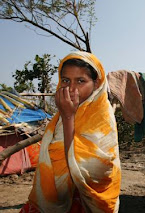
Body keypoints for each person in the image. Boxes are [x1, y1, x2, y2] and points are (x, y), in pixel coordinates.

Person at [20, 52, 121, 213]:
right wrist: (66, 116)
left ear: (96, 84)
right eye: (66, 80)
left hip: (87, 203)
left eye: (81, 81)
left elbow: (94, 171)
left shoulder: (101, 116)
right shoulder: (58, 117)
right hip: (56, 199)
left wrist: (69, 117)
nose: (71, 88)